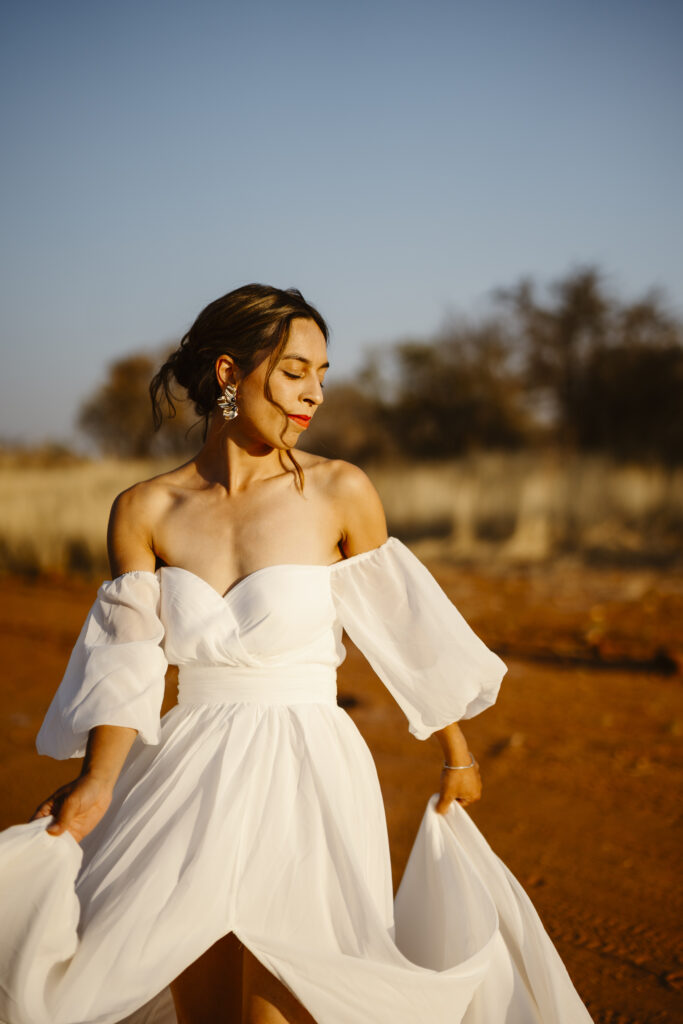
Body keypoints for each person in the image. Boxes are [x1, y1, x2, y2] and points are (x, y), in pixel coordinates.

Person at [0, 284, 594, 1024]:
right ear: (227, 372)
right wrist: (96, 781)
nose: (313, 393)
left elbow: (399, 628)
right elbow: (129, 662)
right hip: (187, 778)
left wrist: (456, 751)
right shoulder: (145, 508)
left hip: (308, 772)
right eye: (293, 372)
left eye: (322, 374)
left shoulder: (338, 490)